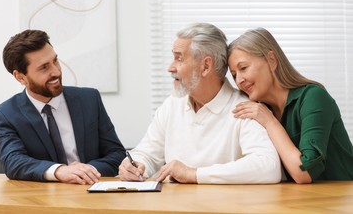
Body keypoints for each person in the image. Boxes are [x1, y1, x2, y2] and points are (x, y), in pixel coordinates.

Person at [118, 23, 281, 184]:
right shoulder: (172, 105)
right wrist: (136, 165)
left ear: (205, 66)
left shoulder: (244, 109)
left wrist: (194, 174)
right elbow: (147, 153)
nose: (170, 68)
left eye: (178, 58)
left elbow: (268, 167)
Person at [0, 29, 125, 184]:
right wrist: (59, 171)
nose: (56, 72)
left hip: (91, 194)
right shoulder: (7, 114)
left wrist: (83, 172)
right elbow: (13, 162)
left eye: (55, 61)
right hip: (42, 201)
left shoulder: (89, 99)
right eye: (44, 67)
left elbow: (117, 154)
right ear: (20, 77)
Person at [227, 27, 353, 183]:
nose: (239, 80)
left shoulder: (313, 97)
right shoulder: (258, 111)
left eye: (243, 68)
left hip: (342, 199)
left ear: (271, 60)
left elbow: (304, 172)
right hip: (297, 201)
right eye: (234, 75)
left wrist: (270, 122)